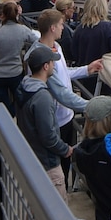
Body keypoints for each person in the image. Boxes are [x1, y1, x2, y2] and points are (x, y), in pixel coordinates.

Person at [15, 46, 74, 194]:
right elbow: (48, 136)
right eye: (52, 63)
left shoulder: (24, 86)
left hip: (32, 158)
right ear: (45, 66)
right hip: (48, 165)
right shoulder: (42, 97)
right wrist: (65, 149)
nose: (54, 65)